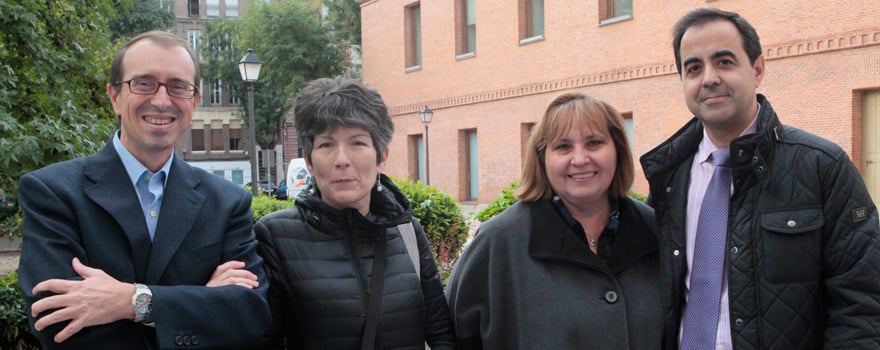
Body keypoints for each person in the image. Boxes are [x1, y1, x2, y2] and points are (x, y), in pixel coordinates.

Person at [640, 8, 880, 349]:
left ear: (757, 69)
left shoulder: (822, 167)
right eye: (693, 68)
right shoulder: (668, 176)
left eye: (724, 62)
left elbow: (862, 306)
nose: (708, 78)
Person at [17, 31, 271, 349]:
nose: (162, 100)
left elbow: (250, 316)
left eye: (178, 87)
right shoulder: (54, 194)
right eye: (144, 83)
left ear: (194, 101)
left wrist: (132, 301)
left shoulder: (228, 202)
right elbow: (59, 326)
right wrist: (202, 301)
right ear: (114, 97)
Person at [445, 92, 661, 349]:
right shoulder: (498, 242)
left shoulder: (655, 230)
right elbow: (452, 338)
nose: (580, 159)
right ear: (542, 159)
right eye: (563, 146)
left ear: (618, 151)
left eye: (594, 143)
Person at [254, 77, 455, 349]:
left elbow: (440, 332)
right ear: (309, 160)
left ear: (381, 155)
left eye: (357, 143)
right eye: (326, 145)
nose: (342, 160)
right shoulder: (274, 236)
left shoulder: (405, 230)